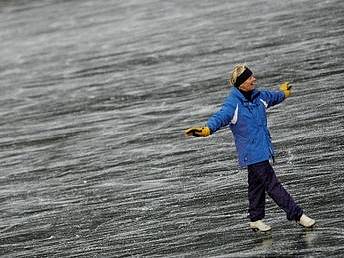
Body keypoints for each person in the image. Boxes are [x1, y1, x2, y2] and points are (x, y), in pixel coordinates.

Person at [185, 64, 316, 232]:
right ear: (241, 83)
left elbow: (273, 97)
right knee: (272, 185)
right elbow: (220, 117)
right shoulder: (233, 104)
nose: (254, 79)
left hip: (262, 148)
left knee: (256, 185)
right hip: (252, 152)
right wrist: (207, 129)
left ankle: (256, 218)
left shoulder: (258, 96)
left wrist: (284, 93)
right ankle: (297, 215)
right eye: (249, 78)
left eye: (252, 76)